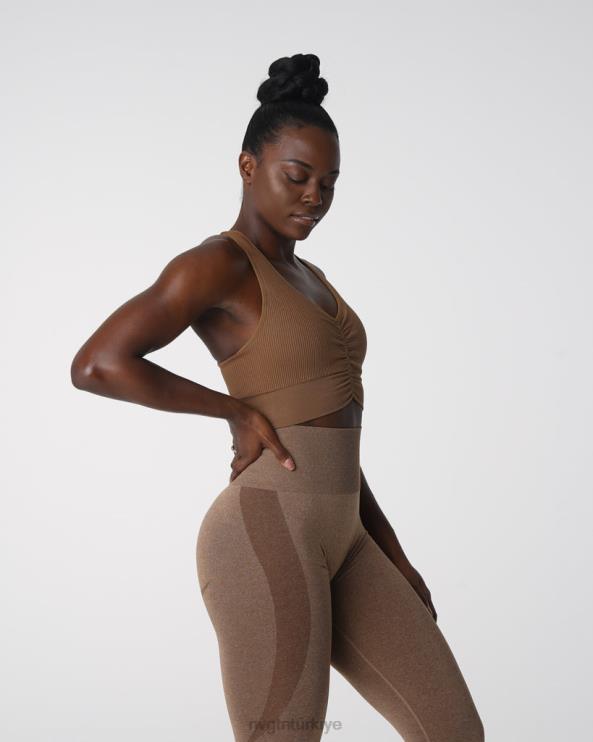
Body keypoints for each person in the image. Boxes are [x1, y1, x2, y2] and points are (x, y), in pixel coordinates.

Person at [71, 53, 484, 742]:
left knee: (453, 730)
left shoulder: (312, 275)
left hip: (347, 536)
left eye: (328, 184)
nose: (313, 197)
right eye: (297, 177)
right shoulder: (218, 264)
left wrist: (391, 550)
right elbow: (97, 364)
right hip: (265, 533)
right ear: (247, 166)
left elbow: (333, 432)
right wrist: (233, 410)